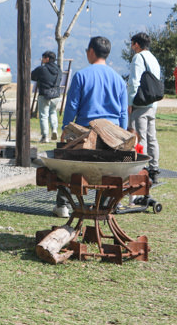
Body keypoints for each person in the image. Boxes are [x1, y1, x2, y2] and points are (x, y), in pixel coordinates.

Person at [54, 36, 128, 218]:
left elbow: (72, 107)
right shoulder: (119, 79)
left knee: (68, 166)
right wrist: (122, 136)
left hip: (85, 134)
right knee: (108, 170)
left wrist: (66, 129)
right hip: (112, 136)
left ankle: (63, 204)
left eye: (87, 50)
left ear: (92, 51)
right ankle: (103, 205)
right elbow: (123, 113)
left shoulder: (81, 76)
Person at [128, 32, 162, 184]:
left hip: (140, 103)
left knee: (139, 137)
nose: (131, 47)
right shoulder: (153, 58)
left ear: (136, 44)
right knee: (151, 137)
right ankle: (154, 169)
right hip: (152, 103)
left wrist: (130, 102)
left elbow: (134, 82)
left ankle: (140, 168)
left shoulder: (138, 58)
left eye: (132, 44)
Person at [30, 50, 62, 143]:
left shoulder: (42, 69)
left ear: (47, 58)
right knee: (53, 112)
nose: (42, 59)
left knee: (43, 115)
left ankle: (45, 137)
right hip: (56, 95)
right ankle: (54, 130)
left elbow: (32, 76)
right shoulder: (58, 69)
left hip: (44, 94)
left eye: (43, 58)